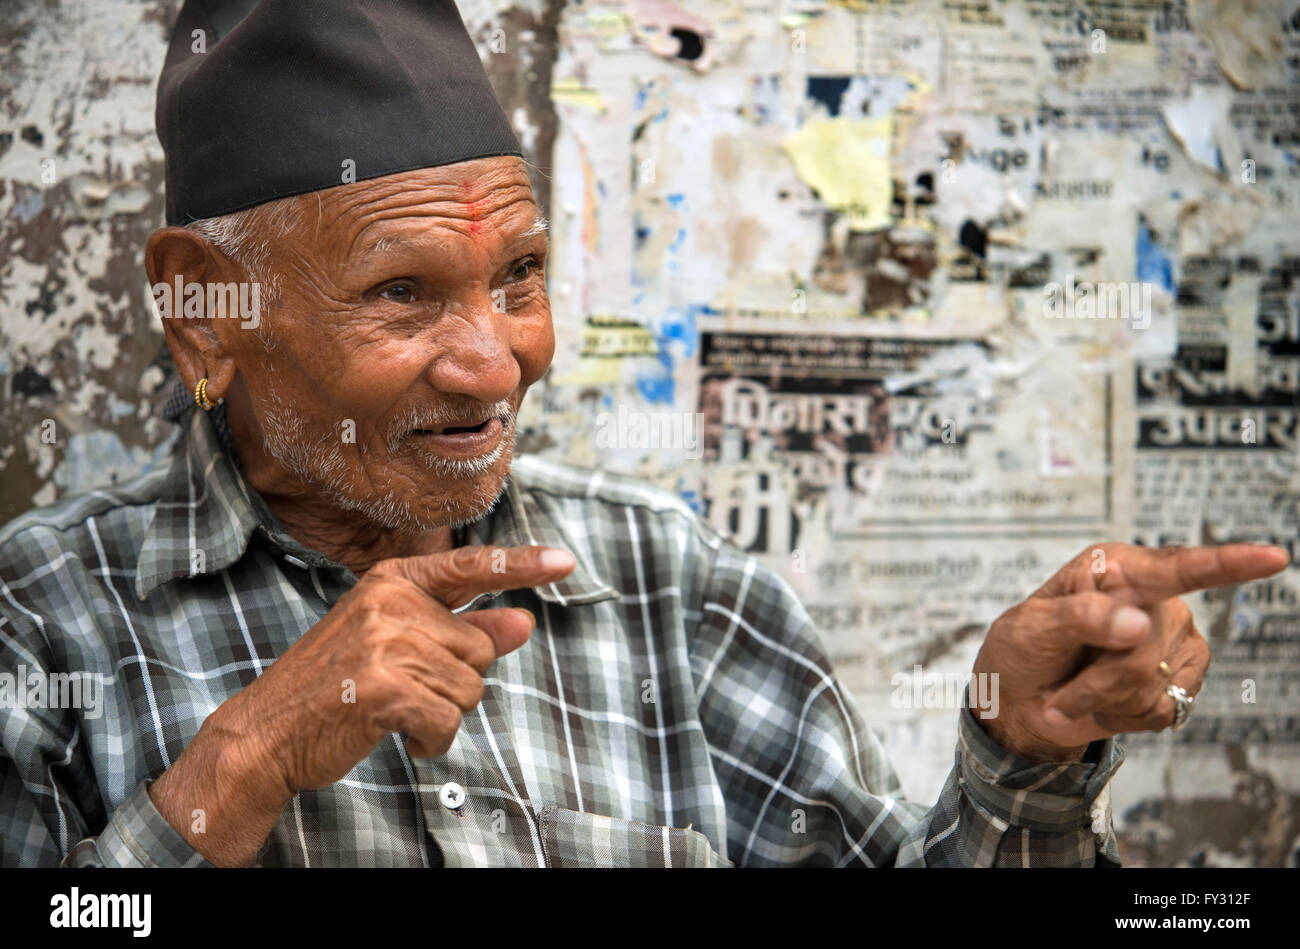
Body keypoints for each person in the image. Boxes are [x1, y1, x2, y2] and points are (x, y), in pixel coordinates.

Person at [0, 0, 1286, 867]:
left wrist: (1022, 748)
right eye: (402, 292)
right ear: (203, 314)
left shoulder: (670, 581)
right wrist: (245, 758)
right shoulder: (45, 619)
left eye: (520, 276)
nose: (497, 359)